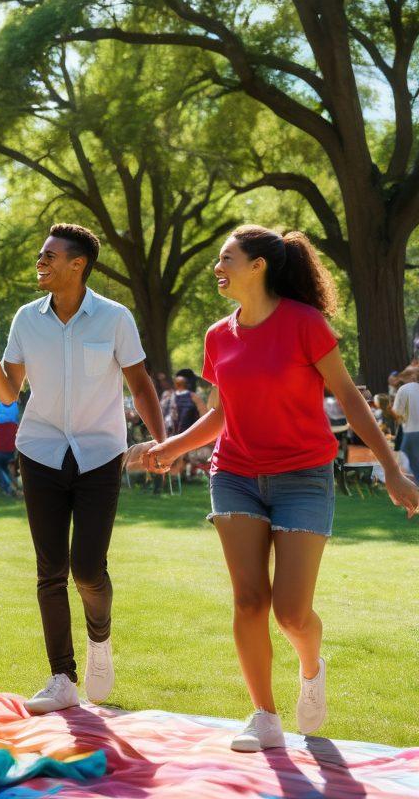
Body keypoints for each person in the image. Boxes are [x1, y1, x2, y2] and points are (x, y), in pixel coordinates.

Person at [147, 226, 419, 752]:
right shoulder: (217, 336)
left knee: (291, 612)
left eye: (227, 258)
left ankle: (311, 665)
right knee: (249, 600)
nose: (217, 267)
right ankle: (264, 715)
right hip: (235, 475)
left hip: (303, 476)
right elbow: (221, 416)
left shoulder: (304, 324)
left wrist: (391, 467)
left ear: (259, 266)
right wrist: (173, 447)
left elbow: (350, 398)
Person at [0, 223, 165, 714]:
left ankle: (99, 638)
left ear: (78, 264)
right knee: (50, 569)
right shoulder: (25, 319)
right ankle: (62, 676)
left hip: (100, 454)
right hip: (39, 451)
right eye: (41, 254)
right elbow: (7, 393)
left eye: (50, 256)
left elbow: (140, 384)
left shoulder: (115, 318)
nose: (40, 262)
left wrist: (165, 442)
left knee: (87, 567)